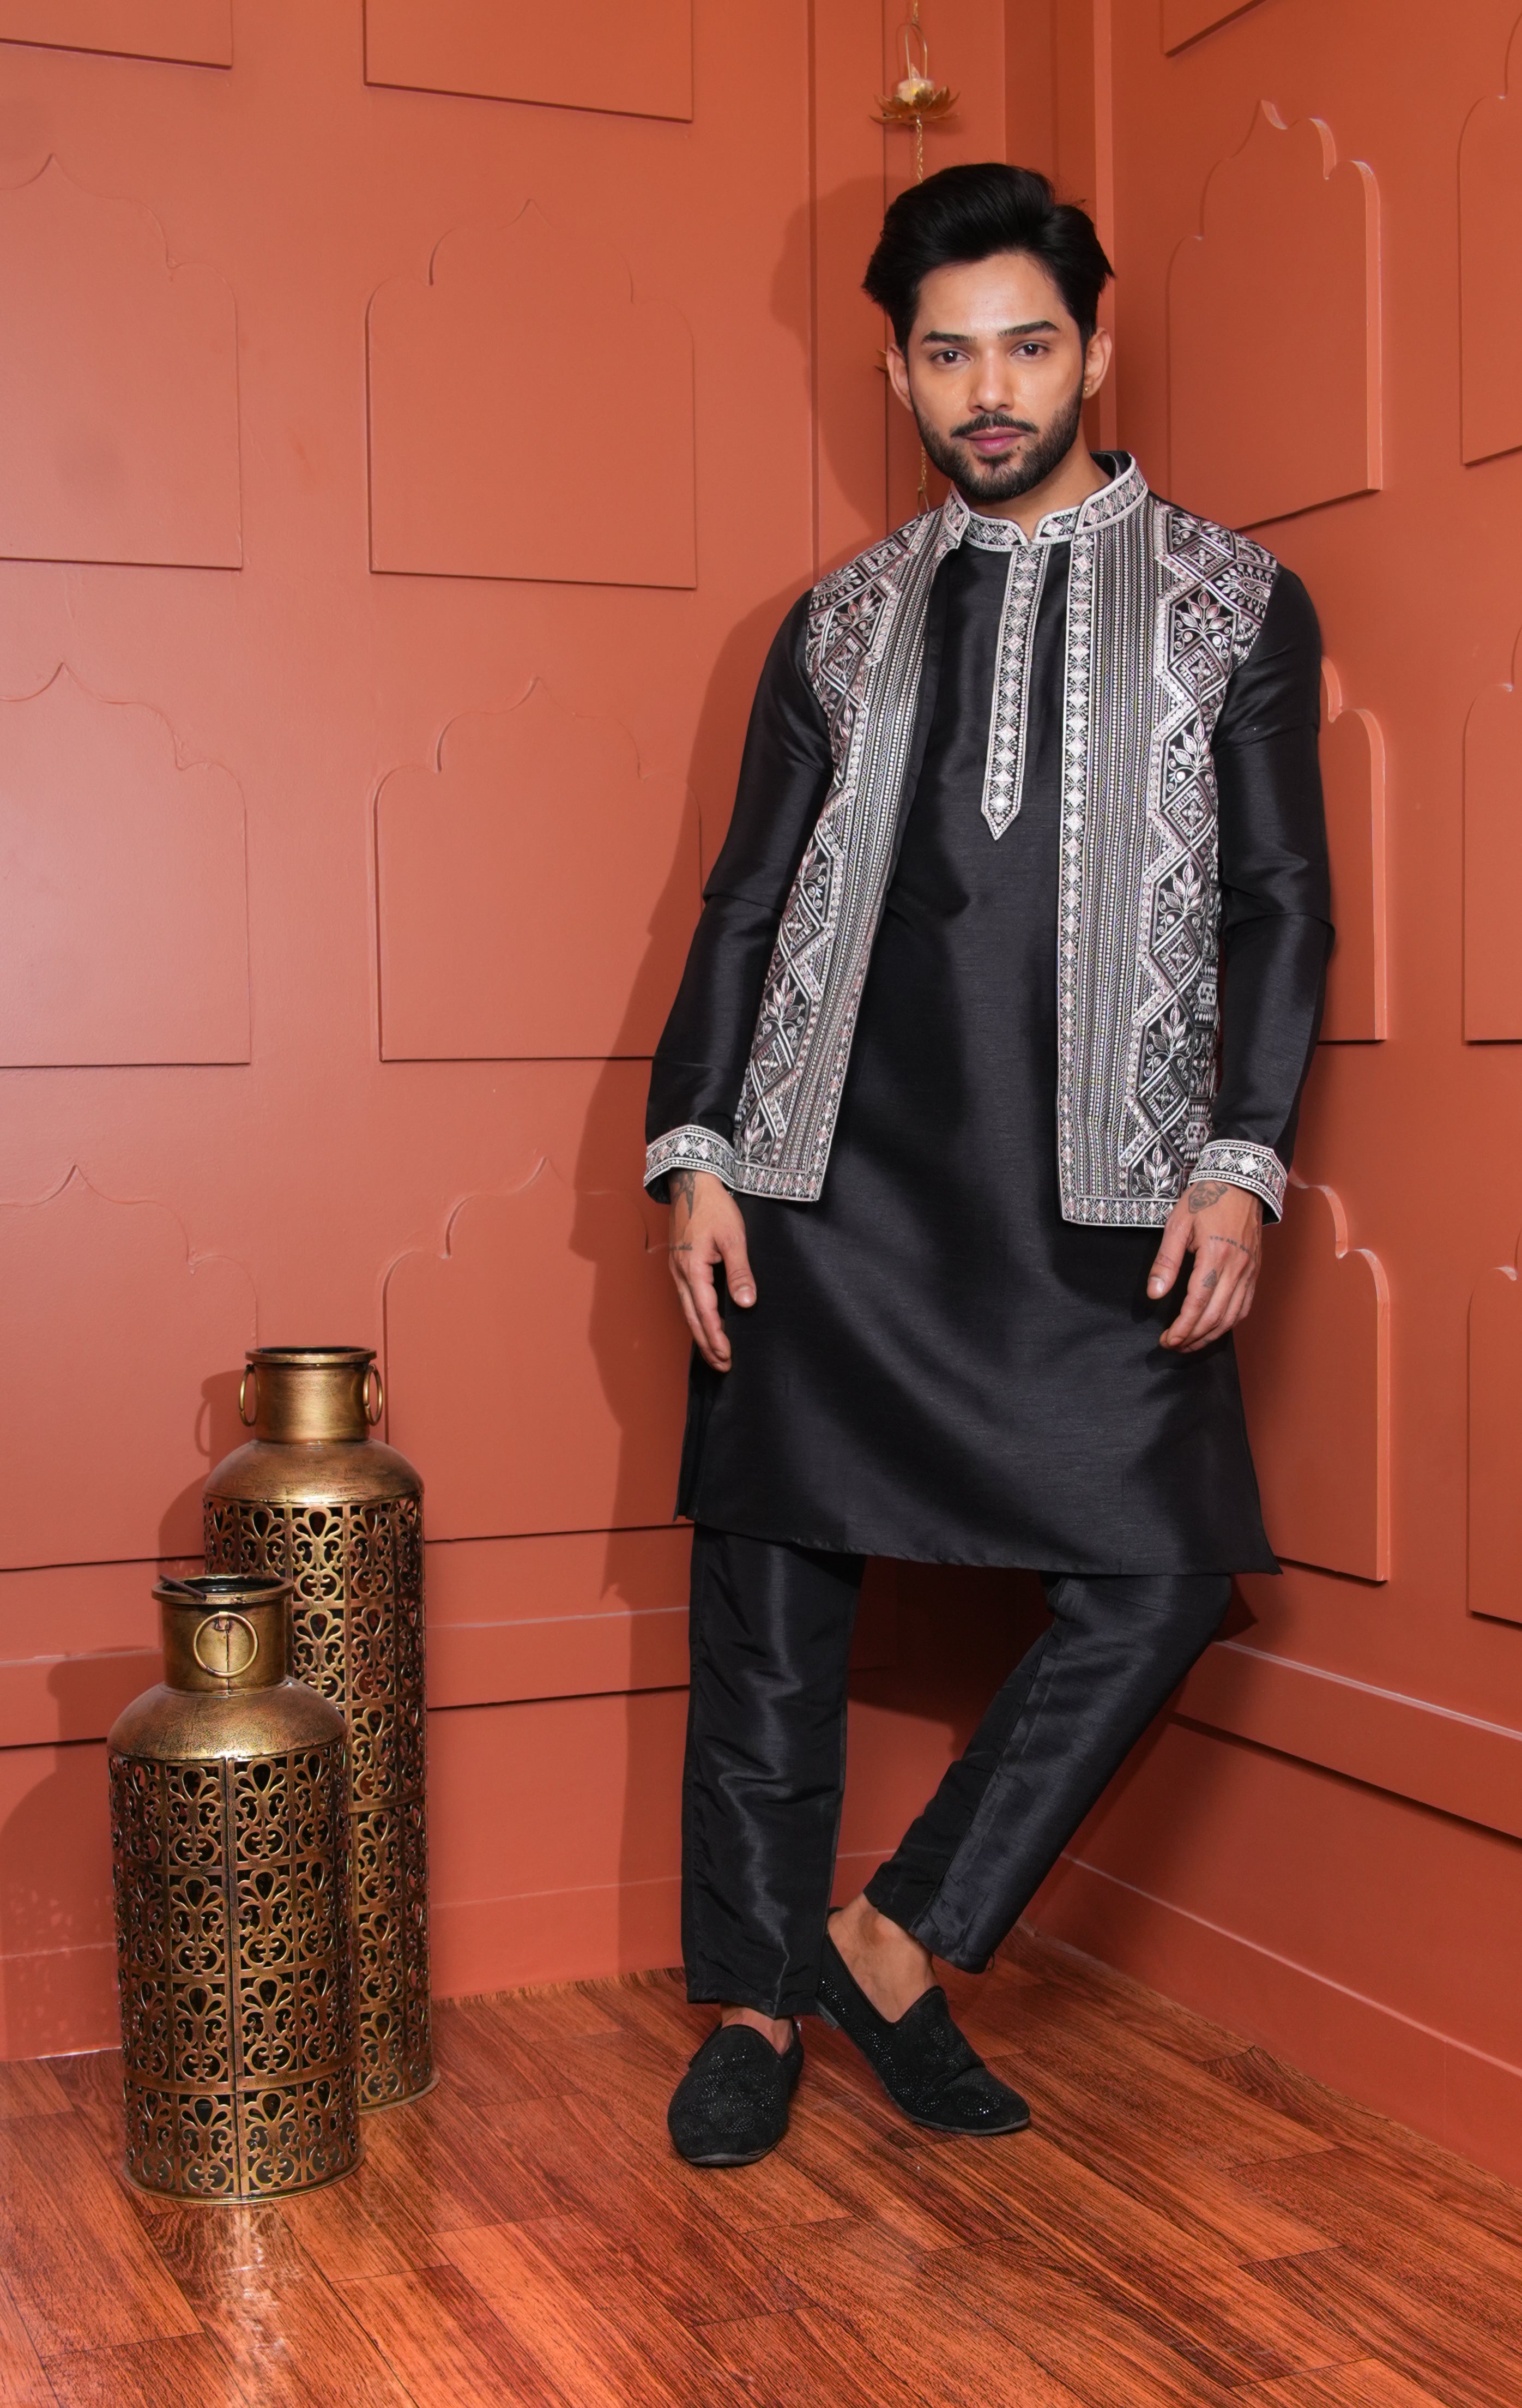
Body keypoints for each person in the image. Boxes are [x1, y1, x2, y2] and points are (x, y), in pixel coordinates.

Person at [644, 162, 1331, 2167]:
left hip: (1104, 1182)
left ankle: (893, 1936)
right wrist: (695, 1149)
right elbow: (748, 897)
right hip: (818, 1180)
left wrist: (1243, 1156)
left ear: (1096, 350)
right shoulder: (839, 623)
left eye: (1028, 343)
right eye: (949, 355)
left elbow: (1286, 903)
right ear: (899, 372)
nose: (991, 387)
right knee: (771, 1596)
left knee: (1169, 1572)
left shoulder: (1232, 601)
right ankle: (755, 2004)